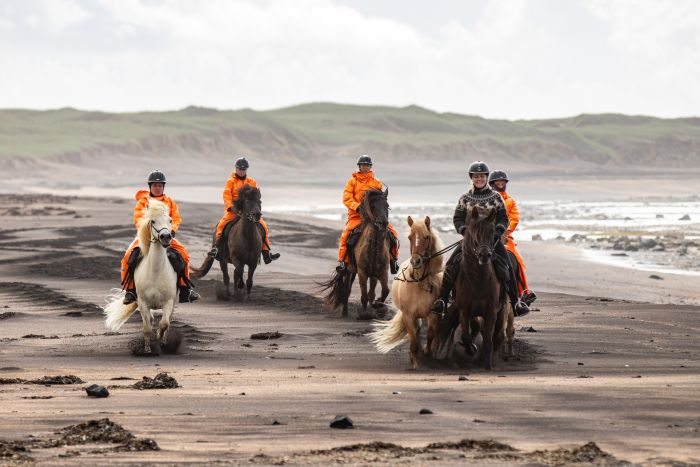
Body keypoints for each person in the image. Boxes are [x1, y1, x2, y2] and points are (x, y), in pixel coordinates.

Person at [430, 161, 529, 317]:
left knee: (508, 266)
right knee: (450, 265)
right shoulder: (465, 198)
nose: (479, 179)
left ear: (486, 178)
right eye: (476, 176)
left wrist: (498, 231)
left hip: (492, 242)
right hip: (470, 242)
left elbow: (504, 218)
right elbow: (457, 218)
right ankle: (442, 300)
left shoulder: (496, 197)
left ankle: (516, 302)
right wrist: (464, 230)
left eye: (482, 176)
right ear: (472, 178)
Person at [121, 170, 199, 305]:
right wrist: (145, 231)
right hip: (146, 237)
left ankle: (185, 289)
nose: (158, 188)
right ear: (150, 186)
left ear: (163, 187)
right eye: (155, 185)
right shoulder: (143, 202)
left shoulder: (170, 202)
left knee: (184, 255)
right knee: (127, 257)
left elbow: (176, 219)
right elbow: (139, 219)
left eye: (160, 185)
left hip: (166, 235)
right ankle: (130, 291)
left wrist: (172, 230)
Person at [207, 157, 280, 264]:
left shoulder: (252, 182)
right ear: (236, 169)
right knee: (221, 225)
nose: (241, 171)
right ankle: (217, 249)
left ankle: (266, 253)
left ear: (246, 170)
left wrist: (253, 208)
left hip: (249, 210)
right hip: (233, 210)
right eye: (240, 169)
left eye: (244, 169)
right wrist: (232, 208)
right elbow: (226, 196)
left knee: (263, 226)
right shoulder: (230, 182)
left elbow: (255, 198)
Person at [336, 155, 400, 274]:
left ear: (370, 167)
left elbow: (381, 199)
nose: (365, 167)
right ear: (359, 167)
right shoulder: (352, 181)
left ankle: (393, 261)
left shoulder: (376, 182)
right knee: (345, 237)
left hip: (375, 217)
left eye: (367, 165)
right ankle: (343, 262)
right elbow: (347, 198)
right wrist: (357, 207)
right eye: (362, 165)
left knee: (393, 235)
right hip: (357, 217)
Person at [489, 170, 537, 306]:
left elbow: (514, 218)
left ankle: (523, 293)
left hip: (504, 236)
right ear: (492, 184)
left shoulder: (510, 201)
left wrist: (505, 230)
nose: (500, 184)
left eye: (502, 182)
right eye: (497, 182)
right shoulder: (485, 198)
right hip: (484, 235)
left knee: (518, 261)